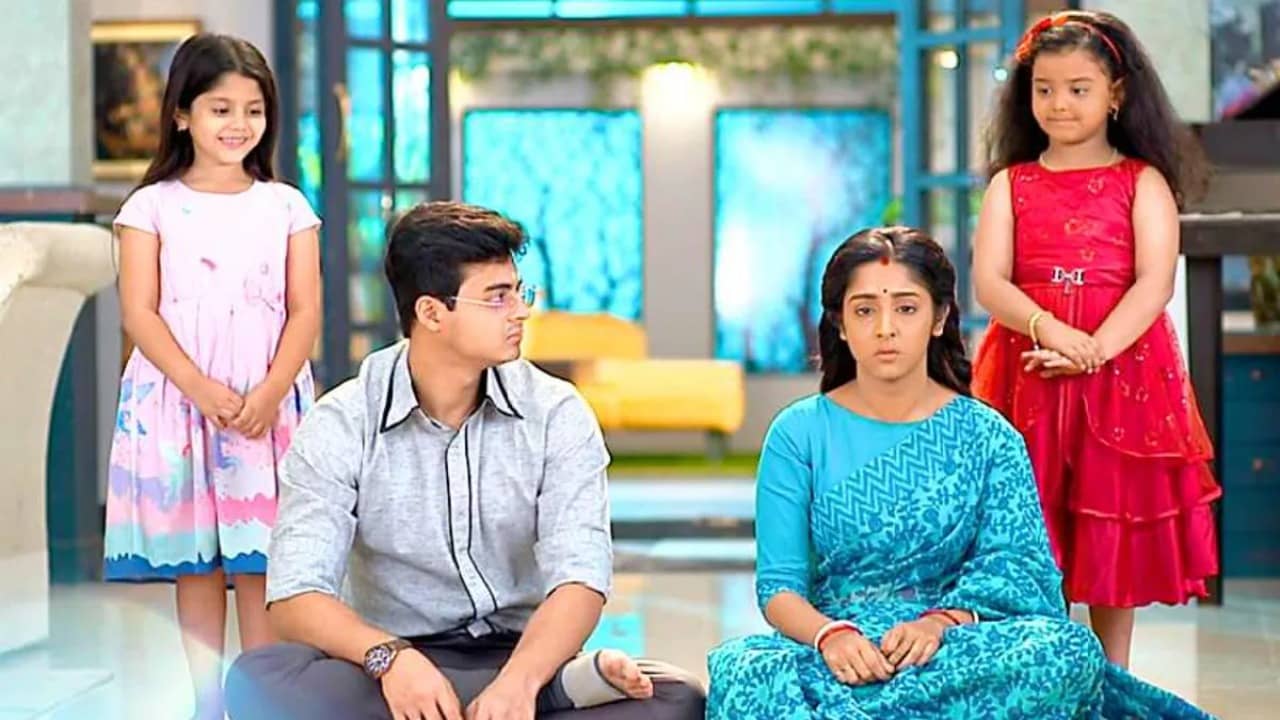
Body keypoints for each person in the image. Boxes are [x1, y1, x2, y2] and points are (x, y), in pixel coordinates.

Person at [224, 201, 705, 720]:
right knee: (259, 680)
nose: (520, 311)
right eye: (497, 298)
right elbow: (296, 596)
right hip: (391, 663)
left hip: (524, 653)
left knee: (676, 699)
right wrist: (390, 659)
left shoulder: (556, 413)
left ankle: (523, 696)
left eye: (519, 292)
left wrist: (521, 682)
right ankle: (552, 697)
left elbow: (581, 578)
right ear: (432, 313)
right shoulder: (342, 422)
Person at [707, 227, 1211, 718]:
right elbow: (779, 588)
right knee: (744, 671)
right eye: (865, 310)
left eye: (906, 308)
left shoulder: (988, 436)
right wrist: (831, 636)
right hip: (839, 652)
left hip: (954, 646)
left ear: (939, 317)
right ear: (840, 323)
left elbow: (1017, 567)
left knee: (1066, 652)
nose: (885, 328)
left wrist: (941, 623)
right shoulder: (797, 433)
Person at [971, 10, 1221, 667]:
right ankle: (1046, 668)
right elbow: (989, 283)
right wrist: (1052, 330)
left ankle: (1113, 675)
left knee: (1111, 514)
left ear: (1116, 94)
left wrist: (1094, 350)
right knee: (1033, 517)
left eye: (1078, 89)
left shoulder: (1143, 181)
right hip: (1029, 366)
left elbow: (1154, 282)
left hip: (1124, 374)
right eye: (1044, 89)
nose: (1059, 103)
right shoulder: (1009, 184)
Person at [103, 33, 320, 720]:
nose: (238, 125)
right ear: (181, 114)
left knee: (261, 559)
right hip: (178, 400)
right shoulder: (150, 207)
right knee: (195, 563)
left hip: (266, 401)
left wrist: (271, 391)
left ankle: (263, 702)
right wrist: (198, 387)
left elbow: (306, 310)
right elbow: (138, 312)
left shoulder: (287, 206)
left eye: (253, 110)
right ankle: (206, 705)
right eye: (220, 109)